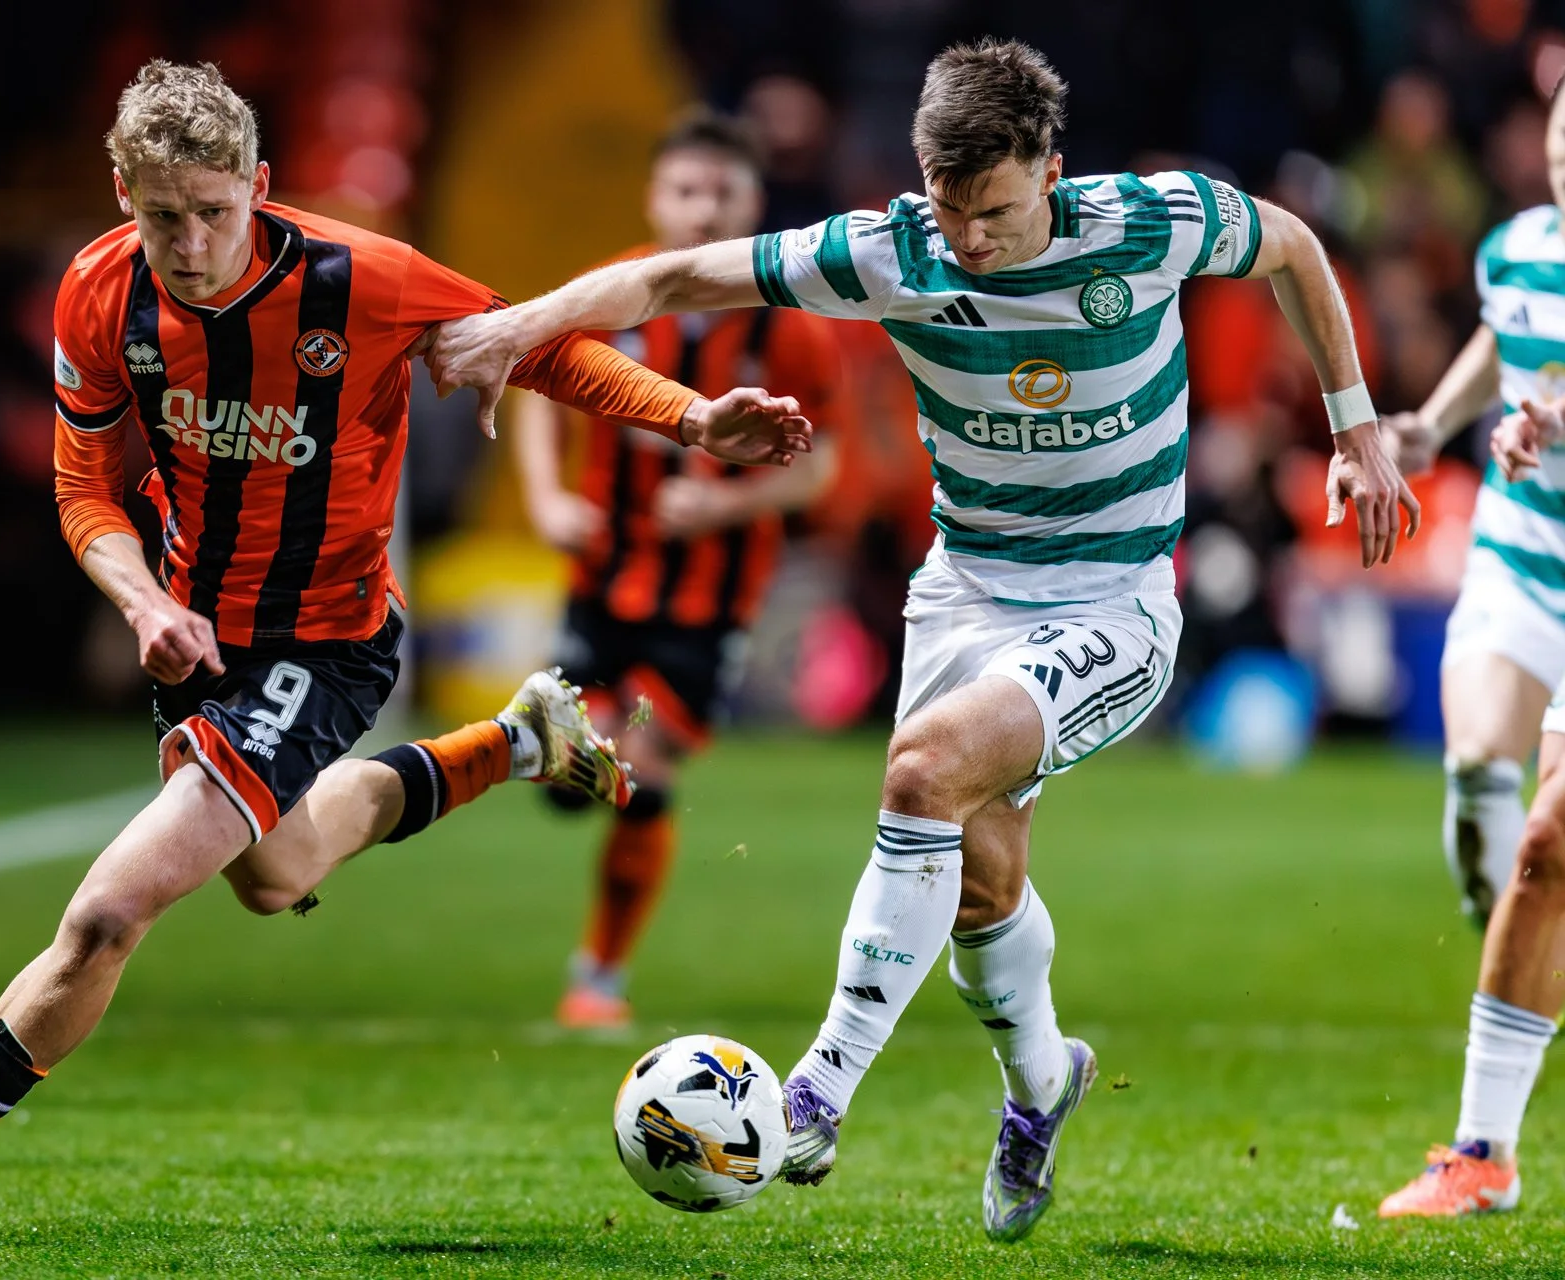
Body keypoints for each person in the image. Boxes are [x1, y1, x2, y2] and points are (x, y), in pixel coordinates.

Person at [0, 60, 811, 1242]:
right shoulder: (98, 296)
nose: (194, 242)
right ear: (121, 193)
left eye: (215, 211)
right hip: (199, 636)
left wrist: (689, 417)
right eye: (165, 215)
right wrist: (141, 603)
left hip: (328, 637)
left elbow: (537, 345)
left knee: (110, 910)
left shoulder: (358, 277)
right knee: (276, 873)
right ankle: (515, 739)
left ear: (259, 185)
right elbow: (83, 488)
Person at [427, 38, 1417, 1241]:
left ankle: (815, 1091)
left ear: (1050, 168)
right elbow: (671, 280)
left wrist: (1352, 425)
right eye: (948, 209)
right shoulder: (886, 251)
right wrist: (509, 327)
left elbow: (1295, 245)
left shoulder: (1150, 222)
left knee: (918, 775)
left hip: (1112, 599)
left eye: (993, 210)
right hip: (964, 593)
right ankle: (1044, 1081)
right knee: (978, 887)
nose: (967, 241)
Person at [517, 111, 842, 1029]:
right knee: (568, 773)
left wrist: (728, 503)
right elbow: (534, 385)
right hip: (603, 578)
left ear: (754, 204)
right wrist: (546, 500)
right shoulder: (606, 293)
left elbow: (824, 466)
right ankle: (587, 760)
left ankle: (598, 982)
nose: (704, 210)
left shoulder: (792, 328)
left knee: (643, 772)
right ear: (656, 198)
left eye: (722, 193)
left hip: (708, 603)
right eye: (687, 190)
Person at [1377, 97, 1565, 1216]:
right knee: (1479, 792)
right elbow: (1506, 337)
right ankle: (1524, 950)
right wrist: (1433, 426)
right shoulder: (1519, 245)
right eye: (1555, 136)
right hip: (1519, 557)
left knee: (1544, 838)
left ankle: (1477, 1149)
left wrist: (1550, 414)